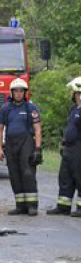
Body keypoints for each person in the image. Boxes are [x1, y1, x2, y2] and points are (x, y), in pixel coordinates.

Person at [0, 78, 42, 216]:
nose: (18, 93)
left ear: (25, 92)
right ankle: (20, 206)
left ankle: (32, 206)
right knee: (14, 175)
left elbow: (37, 129)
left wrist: (38, 149)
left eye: (21, 91)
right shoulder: (6, 108)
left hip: (26, 143)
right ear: (11, 92)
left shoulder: (30, 108)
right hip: (10, 145)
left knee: (28, 173)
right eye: (16, 91)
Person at [47, 77, 81, 216]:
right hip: (69, 148)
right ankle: (63, 206)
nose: (73, 95)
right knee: (65, 176)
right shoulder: (74, 109)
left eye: (75, 92)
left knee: (79, 176)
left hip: (79, 148)